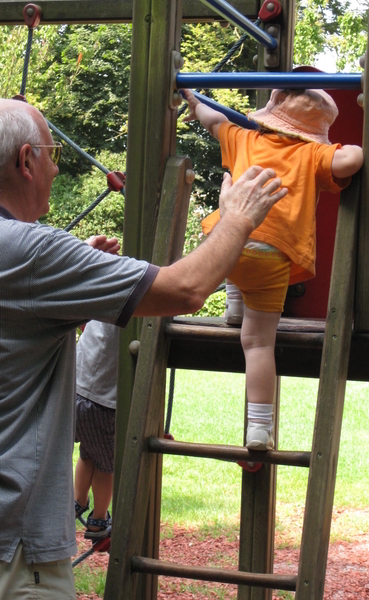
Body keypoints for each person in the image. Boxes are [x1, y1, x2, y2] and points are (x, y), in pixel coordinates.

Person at [0, 98, 287, 599]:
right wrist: (236, 218)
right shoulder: (31, 252)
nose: (56, 164)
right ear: (25, 161)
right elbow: (184, 289)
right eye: (49, 153)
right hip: (15, 542)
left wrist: (76, 273)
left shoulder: (30, 261)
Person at [183, 87, 364, 451]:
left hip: (226, 244)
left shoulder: (242, 137)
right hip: (273, 254)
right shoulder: (312, 153)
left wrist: (195, 101)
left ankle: (234, 307)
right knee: (258, 342)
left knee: (234, 250)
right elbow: (351, 161)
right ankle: (259, 429)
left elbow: (215, 120)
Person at [74, 320, 119, 540]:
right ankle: (98, 521)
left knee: (87, 452)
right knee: (105, 465)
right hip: (103, 403)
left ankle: (78, 500)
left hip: (74, 389)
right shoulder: (138, 311)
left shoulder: (104, 293)